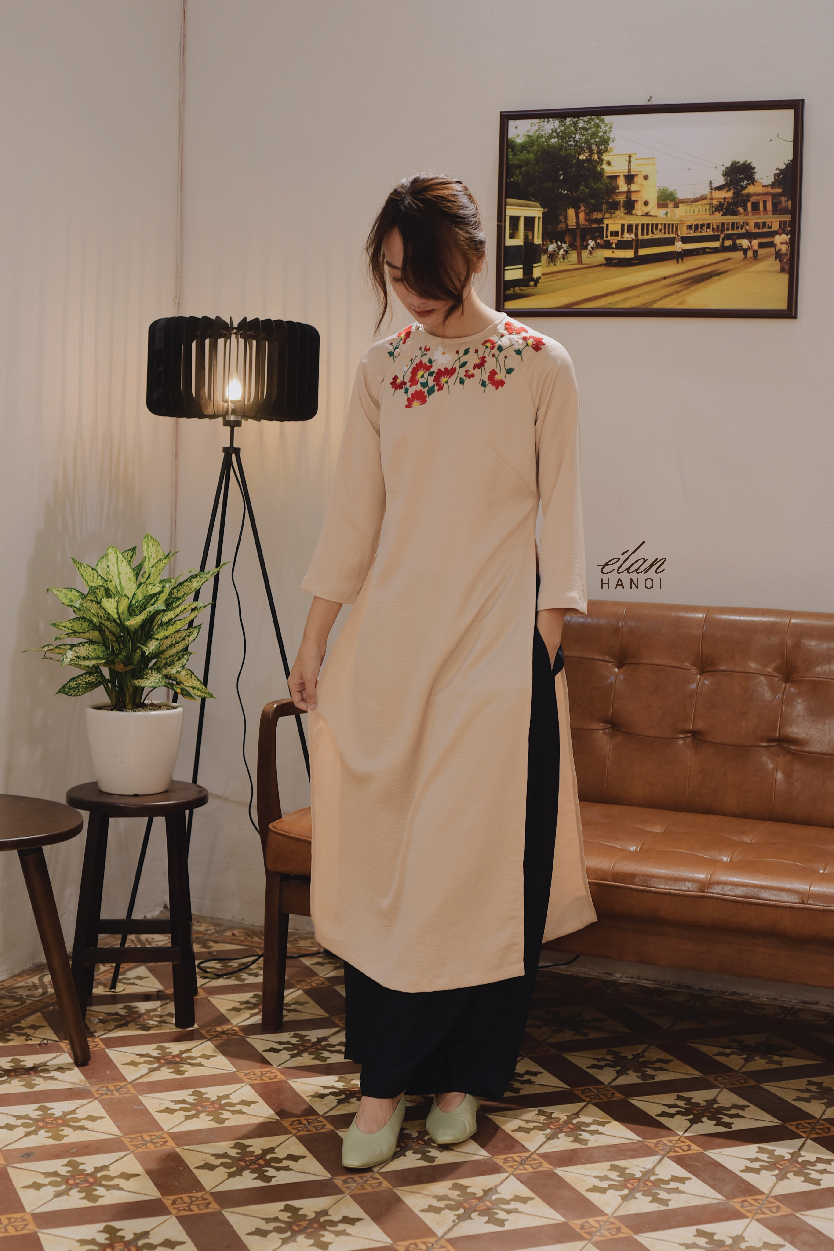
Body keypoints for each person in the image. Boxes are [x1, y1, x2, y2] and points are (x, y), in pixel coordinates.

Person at [289, 173, 593, 1171]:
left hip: (496, 660)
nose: (410, 293)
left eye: (425, 274)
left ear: (472, 260)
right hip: (392, 654)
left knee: (478, 873)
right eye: (393, 274)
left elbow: (563, 517)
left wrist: (540, 645)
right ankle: (383, 1084)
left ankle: (459, 1078)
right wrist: (315, 639)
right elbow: (354, 515)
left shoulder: (541, 365)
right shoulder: (382, 370)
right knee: (393, 870)